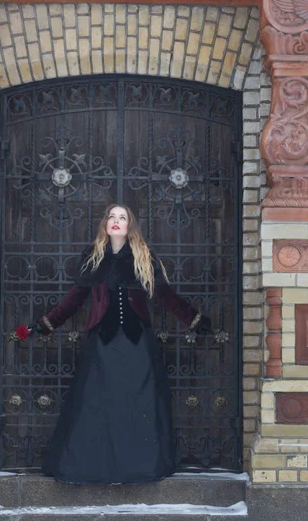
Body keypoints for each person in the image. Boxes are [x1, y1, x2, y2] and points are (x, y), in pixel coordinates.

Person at [15, 204, 212, 485]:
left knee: (136, 405)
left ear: (130, 225)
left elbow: (166, 296)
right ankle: (97, 468)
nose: (116, 221)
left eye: (123, 217)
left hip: (136, 344)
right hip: (103, 345)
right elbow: (74, 299)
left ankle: (137, 467)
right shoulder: (93, 258)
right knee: (98, 406)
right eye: (112, 217)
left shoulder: (143, 257)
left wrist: (194, 319)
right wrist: (44, 324)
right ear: (105, 223)